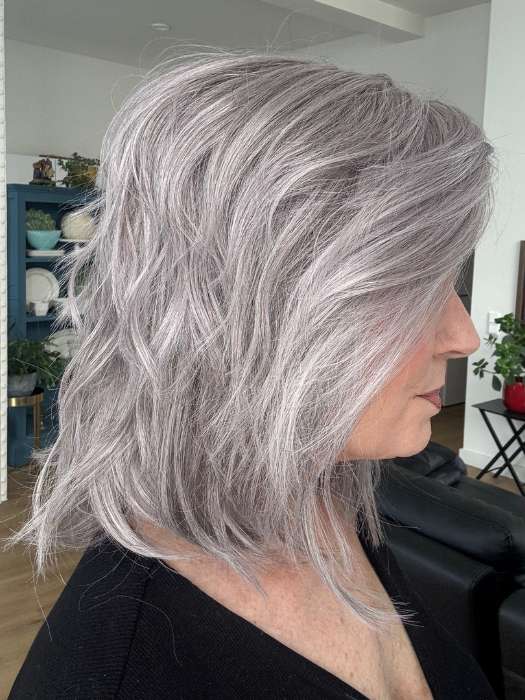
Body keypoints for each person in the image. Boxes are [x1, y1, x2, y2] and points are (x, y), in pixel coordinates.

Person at [4, 47, 498, 699]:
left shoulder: (327, 501)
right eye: (412, 289)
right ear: (246, 311)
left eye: (448, 281)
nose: (463, 337)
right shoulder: (111, 676)